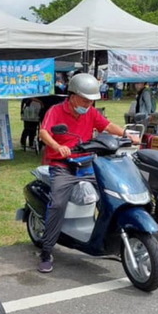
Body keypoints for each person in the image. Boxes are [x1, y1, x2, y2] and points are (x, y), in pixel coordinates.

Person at [37, 73, 139, 273]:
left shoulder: (90, 112)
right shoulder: (56, 110)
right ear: (73, 95)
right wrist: (58, 147)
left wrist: (127, 135)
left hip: (87, 163)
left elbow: (106, 125)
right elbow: (43, 132)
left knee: (111, 194)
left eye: (92, 100)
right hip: (63, 165)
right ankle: (47, 251)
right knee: (58, 204)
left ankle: (106, 238)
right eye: (85, 99)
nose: (88, 104)